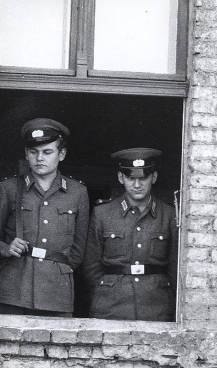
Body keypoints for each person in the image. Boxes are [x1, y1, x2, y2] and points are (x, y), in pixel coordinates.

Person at [0, 118, 89, 316]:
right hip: (13, 290)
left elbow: (78, 251)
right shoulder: (8, 189)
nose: (40, 158)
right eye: (34, 152)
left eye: (47, 152)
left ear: (62, 154)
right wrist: (6, 248)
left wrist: (56, 270)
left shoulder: (78, 192)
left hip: (57, 294)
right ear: (26, 154)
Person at [82, 148, 177, 321]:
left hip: (156, 305)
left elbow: (174, 267)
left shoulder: (169, 214)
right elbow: (91, 266)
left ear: (154, 177)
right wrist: (106, 292)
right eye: (131, 178)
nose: (137, 184)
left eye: (143, 178)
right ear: (121, 178)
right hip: (112, 306)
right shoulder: (103, 213)